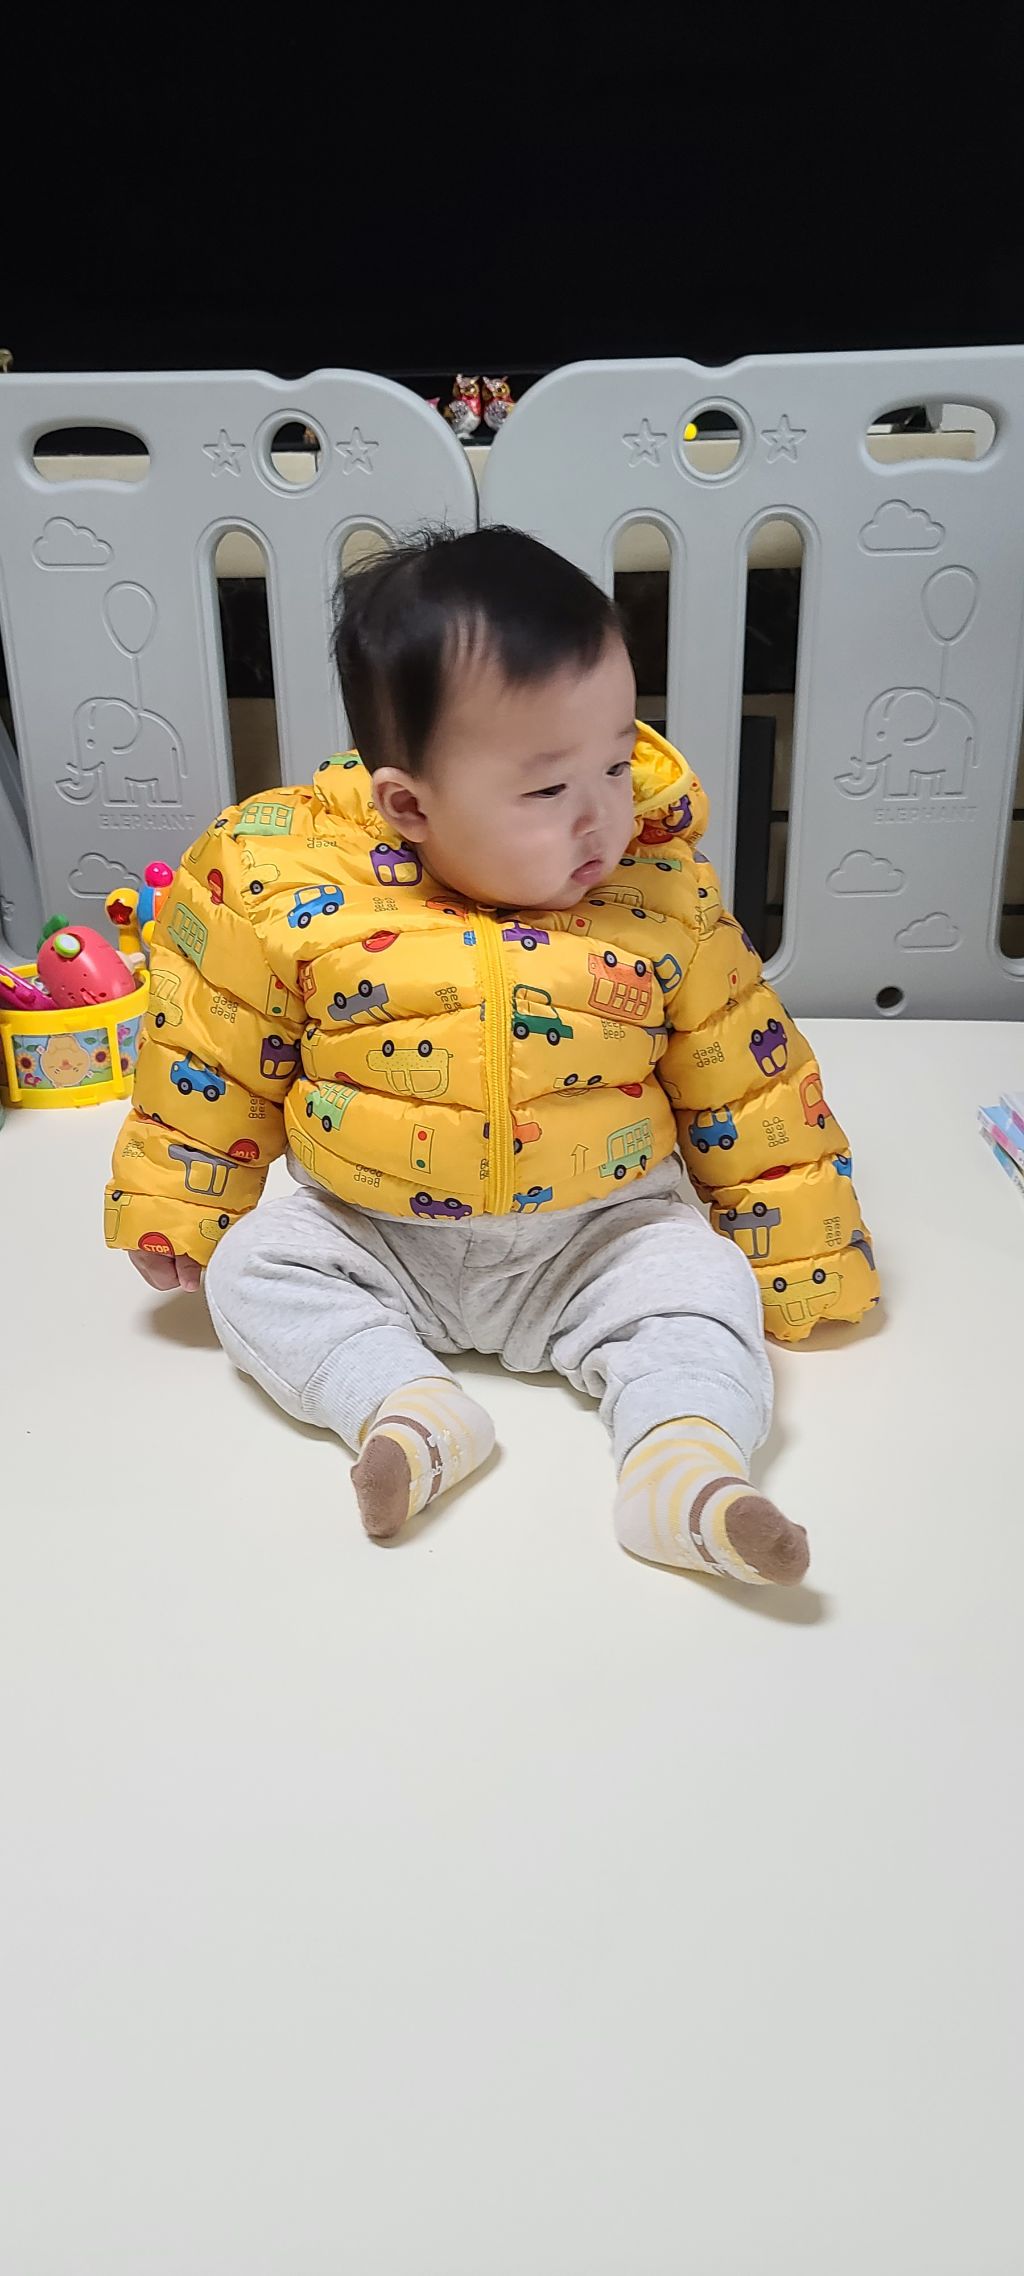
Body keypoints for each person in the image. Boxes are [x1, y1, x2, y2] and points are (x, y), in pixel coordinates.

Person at [106, 527, 880, 1583]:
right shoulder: (285, 889)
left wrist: (800, 1257)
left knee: (700, 1285)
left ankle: (683, 1467)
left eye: (617, 761)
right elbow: (215, 1049)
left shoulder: (660, 896)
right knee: (253, 1270)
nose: (603, 814)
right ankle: (407, 1408)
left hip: (599, 1236)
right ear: (409, 804)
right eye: (548, 790)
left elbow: (749, 1082)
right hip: (371, 1228)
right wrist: (181, 1205)